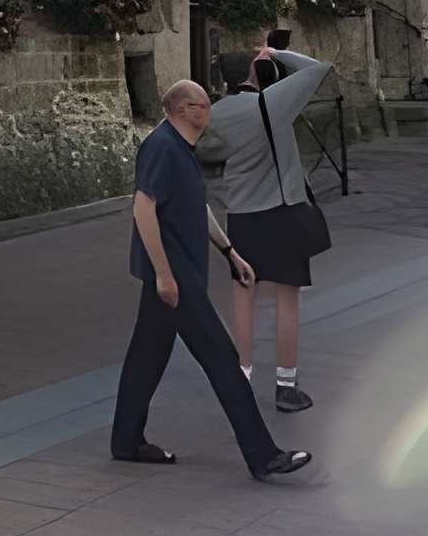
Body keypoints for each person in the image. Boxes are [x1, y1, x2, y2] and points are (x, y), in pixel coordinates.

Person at [111, 78, 311, 480]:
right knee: (222, 358)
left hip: (178, 273)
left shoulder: (182, 149)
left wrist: (229, 252)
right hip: (176, 276)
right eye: (203, 104)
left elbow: (192, 205)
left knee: (145, 359)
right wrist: (165, 275)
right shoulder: (160, 147)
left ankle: (126, 441)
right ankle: (263, 455)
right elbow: (143, 210)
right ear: (184, 109)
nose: (209, 111)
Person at [208, 44, 331, 412]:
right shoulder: (272, 103)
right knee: (286, 301)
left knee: (243, 299)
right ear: (252, 73)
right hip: (281, 213)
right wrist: (276, 52)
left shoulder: (213, 115)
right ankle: (286, 387)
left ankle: (241, 377)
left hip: (240, 217)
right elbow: (317, 69)